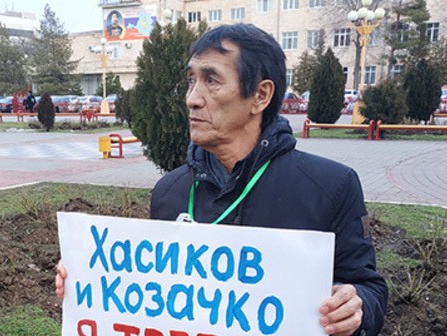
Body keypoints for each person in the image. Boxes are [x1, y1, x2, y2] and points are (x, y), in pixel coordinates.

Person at [56, 23, 387, 336]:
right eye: (191, 81)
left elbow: (370, 289)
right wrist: (88, 281)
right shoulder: (170, 192)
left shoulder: (330, 186)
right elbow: (157, 297)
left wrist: (356, 307)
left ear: (260, 95)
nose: (192, 98)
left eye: (211, 80)